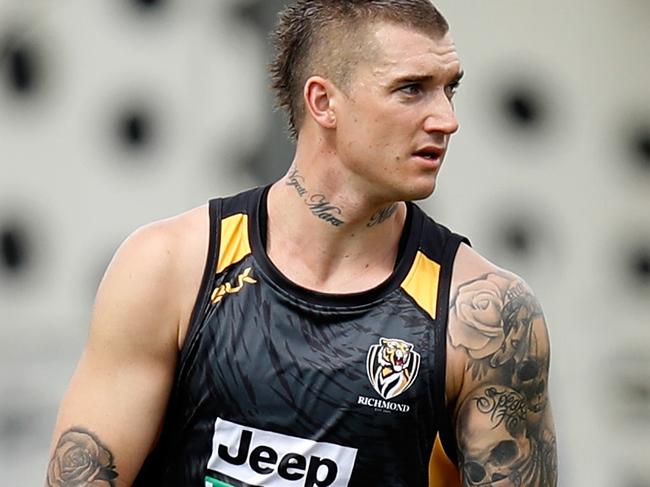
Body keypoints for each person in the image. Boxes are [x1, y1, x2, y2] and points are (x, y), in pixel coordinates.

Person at [45, 1, 557, 486]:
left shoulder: (488, 318)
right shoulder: (169, 266)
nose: (447, 119)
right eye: (411, 89)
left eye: (450, 89)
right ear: (323, 102)